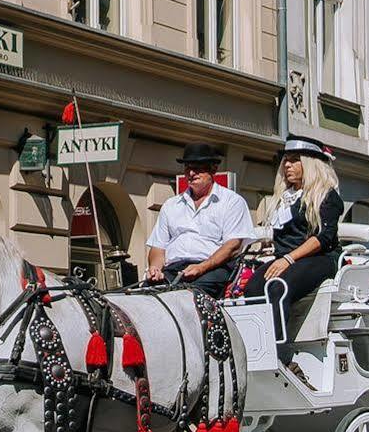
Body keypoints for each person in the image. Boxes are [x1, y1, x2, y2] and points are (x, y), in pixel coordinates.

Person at [249, 136, 343, 355]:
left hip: (319, 258)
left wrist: (289, 259)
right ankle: (255, 349)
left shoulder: (326, 196)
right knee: (252, 287)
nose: (287, 165)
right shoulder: (284, 197)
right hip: (285, 259)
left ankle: (279, 354)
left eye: (293, 160)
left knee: (277, 287)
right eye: (286, 161)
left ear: (309, 165)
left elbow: (323, 237)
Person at [144, 142, 254, 297]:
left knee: (187, 297)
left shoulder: (232, 201)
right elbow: (158, 247)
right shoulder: (171, 205)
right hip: (173, 269)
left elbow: (232, 246)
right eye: (188, 168)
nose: (191, 173)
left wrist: (201, 267)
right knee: (142, 295)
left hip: (212, 269)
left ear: (213, 169)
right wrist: (155, 268)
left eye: (197, 168)